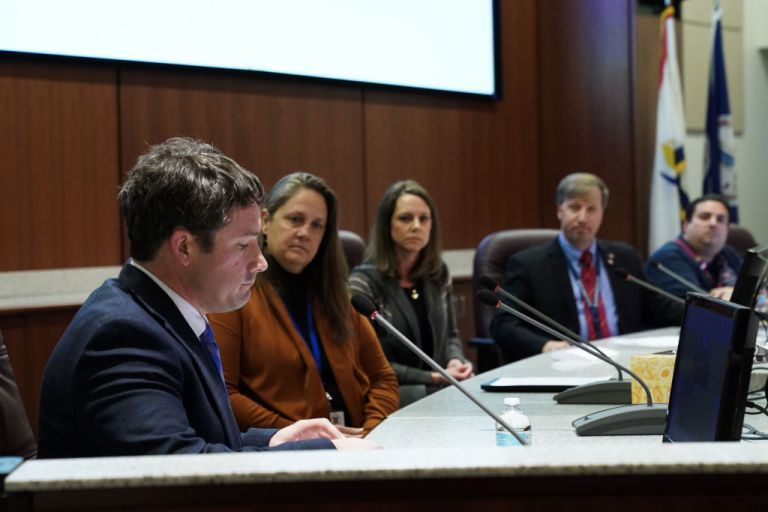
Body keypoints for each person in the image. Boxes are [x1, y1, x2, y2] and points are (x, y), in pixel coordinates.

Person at [38, 137, 377, 458]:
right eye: (243, 245)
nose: (260, 263)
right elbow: (177, 470)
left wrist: (272, 438)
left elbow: (195, 438)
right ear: (184, 246)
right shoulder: (123, 338)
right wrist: (325, 452)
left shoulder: (162, 314)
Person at [210, 172, 398, 433]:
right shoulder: (233, 298)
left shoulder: (340, 299)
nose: (305, 233)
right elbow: (224, 395)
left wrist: (371, 429)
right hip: (283, 451)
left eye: (317, 225)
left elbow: (383, 379)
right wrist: (301, 434)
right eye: (295, 219)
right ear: (265, 221)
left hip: (356, 445)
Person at [489, 172, 683, 362]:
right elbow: (504, 323)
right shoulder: (529, 265)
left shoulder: (625, 258)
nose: (583, 218)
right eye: (574, 207)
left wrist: (703, 310)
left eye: (591, 209)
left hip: (623, 362)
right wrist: (545, 345)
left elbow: (659, 308)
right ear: (559, 210)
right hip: (565, 365)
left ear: (601, 214)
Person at [349, 180, 473, 407]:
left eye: (424, 219)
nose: (416, 226)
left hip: (441, 389)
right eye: (406, 218)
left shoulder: (437, 273)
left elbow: (452, 335)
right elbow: (366, 362)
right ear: (387, 225)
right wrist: (434, 377)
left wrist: (456, 361)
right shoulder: (363, 283)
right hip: (393, 394)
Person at [645, 195, 741, 300]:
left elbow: (755, 291)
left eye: (720, 219)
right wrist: (737, 297)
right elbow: (693, 310)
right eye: (705, 217)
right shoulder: (668, 258)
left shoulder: (727, 253)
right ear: (686, 225)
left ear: (727, 229)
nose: (713, 223)